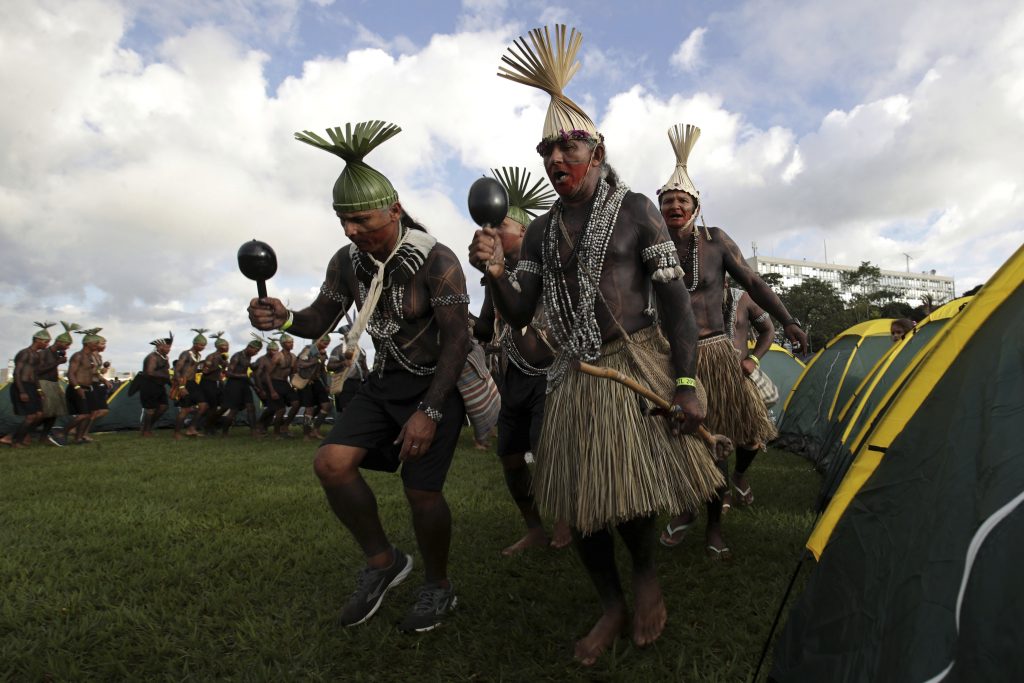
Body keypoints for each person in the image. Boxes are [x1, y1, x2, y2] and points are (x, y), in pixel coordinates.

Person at [471, 26, 723, 665]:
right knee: (578, 503)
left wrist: (686, 382)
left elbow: (675, 303)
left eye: (569, 145)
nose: (557, 158)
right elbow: (519, 312)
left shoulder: (635, 210)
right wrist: (496, 273)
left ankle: (645, 577)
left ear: (596, 149)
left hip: (628, 366)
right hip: (570, 375)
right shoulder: (541, 231)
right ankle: (610, 603)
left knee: (628, 495)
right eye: (547, 150)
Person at [249, 120, 470, 633]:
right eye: (342, 220)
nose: (350, 231)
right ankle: (383, 562)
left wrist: (429, 411)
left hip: (433, 388)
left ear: (393, 210)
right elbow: (318, 320)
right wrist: (283, 316)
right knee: (331, 463)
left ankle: (438, 585)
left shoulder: (436, 260)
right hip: (384, 386)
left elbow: (458, 341)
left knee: (422, 493)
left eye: (360, 219)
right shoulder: (349, 263)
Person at [656, 124, 808, 556]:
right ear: (659, 207)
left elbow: (754, 282)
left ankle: (713, 526)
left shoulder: (715, 241)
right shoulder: (652, 247)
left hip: (717, 356)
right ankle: (686, 508)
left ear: (696, 206)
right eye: (667, 201)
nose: (675, 206)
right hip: (671, 357)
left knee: (718, 442)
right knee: (678, 440)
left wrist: (788, 320)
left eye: (682, 200)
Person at [472, 166, 570, 555]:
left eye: (503, 227)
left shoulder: (548, 268)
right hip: (510, 378)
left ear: (525, 232)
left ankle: (565, 521)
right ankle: (534, 529)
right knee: (511, 458)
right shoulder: (492, 277)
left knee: (548, 455)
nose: (494, 233)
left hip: (549, 375)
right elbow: (484, 329)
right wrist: (452, 315)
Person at [2, 323, 51, 448]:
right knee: (31, 416)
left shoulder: (37, 355)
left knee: (39, 414)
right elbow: (17, 373)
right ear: (38, 340)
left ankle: (14, 437)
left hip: (32, 386)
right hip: (22, 385)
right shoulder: (24, 353)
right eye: (46, 342)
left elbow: (35, 374)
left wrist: (39, 389)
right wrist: (22, 391)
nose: (47, 345)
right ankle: (15, 441)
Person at [35, 321, 77, 446]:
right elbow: (38, 371)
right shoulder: (43, 353)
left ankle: (44, 437)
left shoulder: (55, 354)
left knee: (54, 413)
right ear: (59, 342)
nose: (67, 348)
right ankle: (20, 434)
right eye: (66, 344)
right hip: (43, 383)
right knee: (43, 413)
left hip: (53, 384)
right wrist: (57, 362)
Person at [221, 334, 263, 436]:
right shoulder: (237, 356)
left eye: (258, 351)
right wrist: (241, 375)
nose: (256, 353)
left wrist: (254, 386)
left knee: (251, 407)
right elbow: (228, 373)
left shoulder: (248, 357)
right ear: (249, 347)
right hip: (234, 385)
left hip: (244, 384)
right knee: (234, 410)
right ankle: (224, 432)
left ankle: (253, 431)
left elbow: (245, 374)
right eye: (256, 351)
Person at [296, 334, 333, 440]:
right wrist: (314, 361)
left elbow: (322, 370)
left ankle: (315, 430)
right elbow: (300, 364)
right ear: (318, 341)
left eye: (327, 344)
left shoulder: (323, 353)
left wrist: (326, 384)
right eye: (324, 343)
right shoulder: (308, 350)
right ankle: (306, 434)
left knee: (326, 405)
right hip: (306, 381)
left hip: (317, 381)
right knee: (309, 409)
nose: (326, 345)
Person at [172, 329, 208, 439]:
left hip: (192, 383)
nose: (203, 347)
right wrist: (181, 386)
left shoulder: (198, 355)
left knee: (203, 406)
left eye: (204, 346)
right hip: (184, 382)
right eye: (201, 345)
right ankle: (176, 433)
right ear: (195, 344)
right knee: (185, 409)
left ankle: (191, 429)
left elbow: (191, 369)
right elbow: (177, 370)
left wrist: (201, 370)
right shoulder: (186, 354)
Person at [326, 325, 368, 415]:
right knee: (347, 409)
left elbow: (365, 368)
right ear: (345, 336)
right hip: (344, 382)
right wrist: (342, 363)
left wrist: (367, 381)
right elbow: (329, 367)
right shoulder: (338, 350)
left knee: (359, 408)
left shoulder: (361, 351)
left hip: (359, 383)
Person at [138, 332, 174, 437]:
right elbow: (149, 372)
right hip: (149, 385)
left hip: (159, 386)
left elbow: (166, 372)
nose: (169, 349)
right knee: (150, 409)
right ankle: (146, 431)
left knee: (163, 406)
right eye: (166, 347)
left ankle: (147, 427)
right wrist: (165, 375)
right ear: (159, 346)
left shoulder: (165, 358)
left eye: (169, 347)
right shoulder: (152, 357)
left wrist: (172, 384)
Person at [196, 332, 230, 434]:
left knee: (225, 405)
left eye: (228, 345)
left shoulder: (223, 357)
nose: (227, 347)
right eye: (225, 345)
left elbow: (223, 371)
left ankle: (209, 424)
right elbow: (205, 371)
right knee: (212, 406)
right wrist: (217, 366)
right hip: (208, 383)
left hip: (218, 383)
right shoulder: (211, 357)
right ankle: (206, 426)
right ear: (219, 347)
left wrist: (224, 367)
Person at [268, 332, 300, 437]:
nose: (292, 344)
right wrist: (272, 390)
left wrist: (294, 385)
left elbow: (292, 373)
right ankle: (276, 433)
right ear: (282, 344)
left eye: (292, 342)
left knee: (296, 403)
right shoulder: (277, 356)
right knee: (281, 410)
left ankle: (285, 426)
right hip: (275, 383)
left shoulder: (293, 357)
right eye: (289, 342)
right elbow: (267, 374)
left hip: (285, 383)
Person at [252, 338, 282, 435]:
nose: (275, 352)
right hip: (263, 386)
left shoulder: (276, 359)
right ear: (268, 350)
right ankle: (259, 424)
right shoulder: (262, 360)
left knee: (274, 407)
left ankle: (264, 427)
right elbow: (257, 375)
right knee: (272, 407)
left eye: (277, 350)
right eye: (273, 350)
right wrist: (261, 390)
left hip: (271, 386)